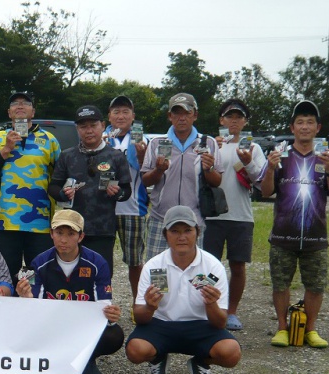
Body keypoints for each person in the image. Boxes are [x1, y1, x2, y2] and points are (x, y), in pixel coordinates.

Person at [259, 100, 329, 348]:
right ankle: (282, 328)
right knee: (280, 283)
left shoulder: (327, 156)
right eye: (300, 122)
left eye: (310, 122)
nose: (305, 127)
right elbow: (265, 192)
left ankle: (310, 329)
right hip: (283, 234)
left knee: (316, 285)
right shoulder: (281, 154)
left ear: (318, 127)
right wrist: (269, 169)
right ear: (292, 127)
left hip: (316, 235)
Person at [125, 206, 242, 374]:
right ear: (165, 235)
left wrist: (211, 304)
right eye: (175, 231)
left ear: (197, 232)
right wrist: (149, 307)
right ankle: (158, 358)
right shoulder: (155, 266)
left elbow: (220, 322)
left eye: (188, 230)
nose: (182, 237)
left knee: (231, 353)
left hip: (200, 326)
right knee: (135, 350)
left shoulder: (212, 267)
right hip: (162, 324)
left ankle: (201, 363)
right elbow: (139, 317)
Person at [15, 209, 124, 374]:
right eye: (59, 233)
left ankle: (87, 357)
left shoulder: (98, 263)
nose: (63, 240)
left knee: (114, 334)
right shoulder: (38, 263)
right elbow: (34, 312)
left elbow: (103, 306)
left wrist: (111, 316)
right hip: (52, 325)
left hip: (82, 327)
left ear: (81, 236)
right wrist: (26, 297)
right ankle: (47, 358)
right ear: (51, 234)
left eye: (71, 234)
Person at [0, 91, 61, 282]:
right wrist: (6, 149)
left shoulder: (49, 140)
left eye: (25, 103)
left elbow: (63, 174)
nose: (20, 106)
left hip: (41, 224)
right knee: (4, 277)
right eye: (15, 104)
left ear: (33, 111)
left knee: (40, 278)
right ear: (9, 113)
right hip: (7, 223)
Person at [202, 99, 267, 331]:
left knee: (238, 266)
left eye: (239, 117)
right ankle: (206, 309)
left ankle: (231, 312)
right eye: (230, 116)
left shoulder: (253, 148)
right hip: (212, 215)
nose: (234, 121)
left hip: (241, 216)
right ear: (221, 120)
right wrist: (212, 151)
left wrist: (248, 163)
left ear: (245, 121)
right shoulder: (210, 143)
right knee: (208, 266)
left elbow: (261, 182)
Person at [48, 105, 131, 275]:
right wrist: (63, 194)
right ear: (77, 129)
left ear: (103, 125)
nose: (89, 131)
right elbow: (53, 187)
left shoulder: (116, 156)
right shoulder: (67, 155)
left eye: (93, 125)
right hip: (71, 230)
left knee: (101, 276)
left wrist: (118, 193)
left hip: (103, 230)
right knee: (69, 275)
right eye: (83, 126)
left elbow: (126, 191)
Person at [141, 93, 223, 260]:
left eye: (187, 112)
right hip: (160, 219)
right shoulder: (157, 142)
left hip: (194, 221)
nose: (182, 118)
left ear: (195, 115)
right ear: (170, 116)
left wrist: (208, 169)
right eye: (177, 113)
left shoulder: (208, 143)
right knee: (158, 275)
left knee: (192, 273)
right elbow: (145, 180)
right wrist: (158, 170)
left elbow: (217, 181)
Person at [105, 95, 149, 301]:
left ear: (133, 116)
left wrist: (142, 154)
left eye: (125, 111)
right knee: (102, 260)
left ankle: (137, 303)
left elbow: (148, 172)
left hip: (133, 208)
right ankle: (102, 304)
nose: (120, 116)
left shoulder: (142, 139)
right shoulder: (101, 137)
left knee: (135, 261)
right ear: (109, 116)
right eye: (116, 112)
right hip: (103, 208)